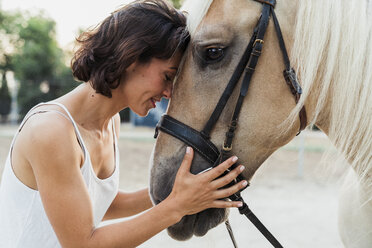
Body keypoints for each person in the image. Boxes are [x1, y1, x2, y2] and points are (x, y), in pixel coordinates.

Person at [0, 0, 247, 247]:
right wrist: (177, 205)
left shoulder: (110, 123)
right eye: (168, 76)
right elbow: (82, 244)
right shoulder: (50, 132)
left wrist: (188, 189)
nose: (170, 92)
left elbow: (106, 204)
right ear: (132, 57)